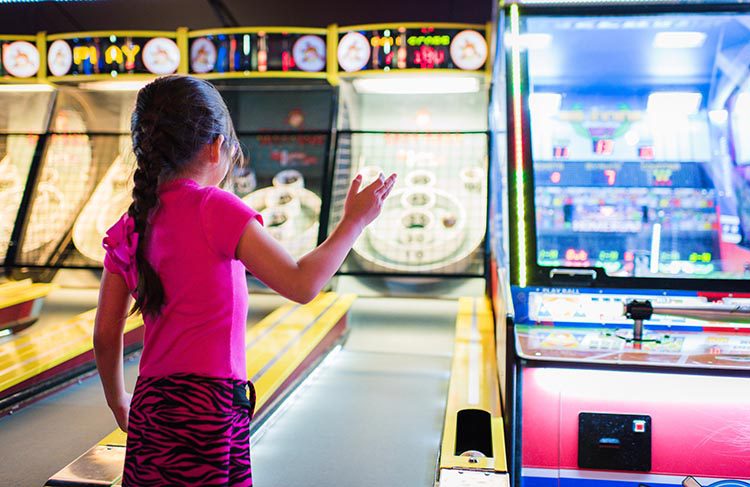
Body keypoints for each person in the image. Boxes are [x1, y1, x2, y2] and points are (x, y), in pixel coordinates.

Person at [93, 75, 396, 486]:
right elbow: (302, 283)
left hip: (151, 403)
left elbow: (105, 335)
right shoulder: (215, 208)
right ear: (216, 146)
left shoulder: (131, 223)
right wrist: (354, 222)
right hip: (209, 408)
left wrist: (119, 402)